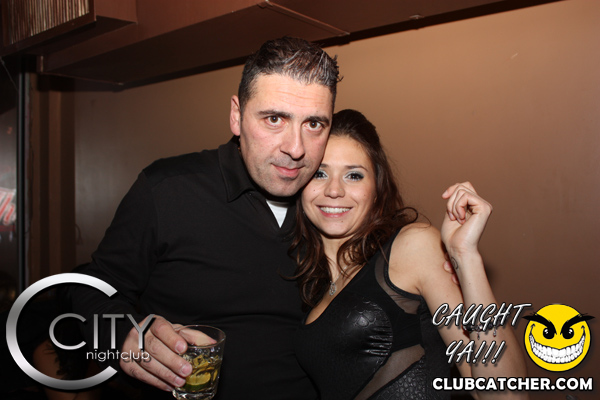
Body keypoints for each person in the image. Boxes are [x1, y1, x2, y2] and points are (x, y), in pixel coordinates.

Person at [71, 37, 340, 400]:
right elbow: (87, 291)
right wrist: (123, 338)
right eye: (274, 119)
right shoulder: (168, 190)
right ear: (236, 116)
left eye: (314, 124)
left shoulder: (334, 205)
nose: (295, 148)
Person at [291, 109, 528, 399]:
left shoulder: (411, 247)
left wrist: (464, 255)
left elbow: (505, 395)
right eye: (320, 173)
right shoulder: (308, 283)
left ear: (377, 188)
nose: (334, 190)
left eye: (354, 175)